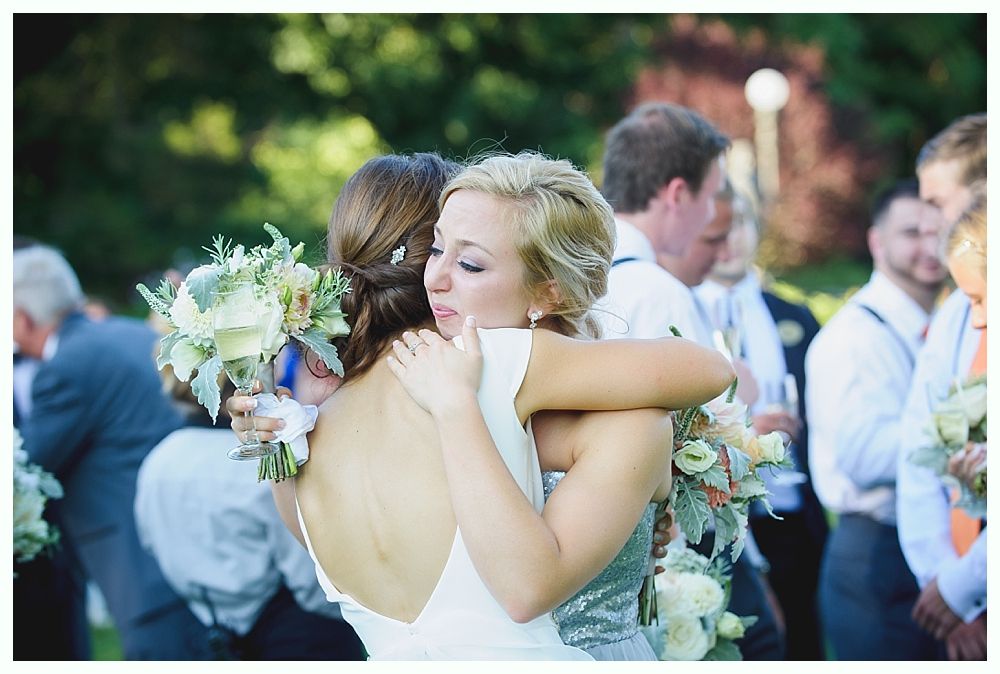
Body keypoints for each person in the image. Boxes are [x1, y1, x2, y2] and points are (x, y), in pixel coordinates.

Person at [230, 151, 733, 660]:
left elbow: (315, 541)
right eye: (437, 250)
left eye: (469, 262)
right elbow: (711, 371)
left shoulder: (311, 426)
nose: (438, 278)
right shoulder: (485, 358)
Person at [596, 101, 782, 660]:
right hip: (661, 547)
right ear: (677, 194)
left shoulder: (582, 269)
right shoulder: (658, 290)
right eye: (711, 196)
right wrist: (740, 403)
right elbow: (687, 440)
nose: (714, 220)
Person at [13, 245, 212, 659]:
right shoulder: (134, 333)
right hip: (196, 543)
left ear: (21, 318)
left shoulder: (66, 369)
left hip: (142, 569)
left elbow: (26, 468)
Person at [805, 179, 948, 660]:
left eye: (940, 232)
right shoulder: (855, 338)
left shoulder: (945, 328)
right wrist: (965, 445)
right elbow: (865, 456)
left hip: (925, 545)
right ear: (876, 241)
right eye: (912, 232)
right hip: (876, 556)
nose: (931, 247)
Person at [134, 369, 365, 660]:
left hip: (207, 627)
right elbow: (304, 572)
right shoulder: (258, 463)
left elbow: (151, 541)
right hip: (296, 634)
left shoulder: (158, 460)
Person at [696, 190, 828, 660]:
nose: (730, 240)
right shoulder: (685, 316)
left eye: (741, 225)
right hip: (721, 525)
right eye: (719, 227)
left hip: (796, 516)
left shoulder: (795, 316)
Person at [896, 113, 987, 660]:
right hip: (954, 584)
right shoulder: (957, 310)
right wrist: (944, 585)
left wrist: (968, 587)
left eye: (937, 203)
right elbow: (919, 442)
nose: (926, 220)